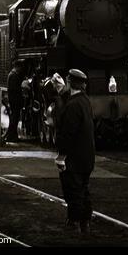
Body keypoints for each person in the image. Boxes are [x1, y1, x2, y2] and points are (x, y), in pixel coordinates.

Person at [55, 68, 95, 235]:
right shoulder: (84, 101)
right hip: (87, 157)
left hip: (73, 157)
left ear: (70, 82)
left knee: (72, 191)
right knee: (83, 189)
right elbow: (71, 100)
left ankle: (75, 224)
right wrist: (61, 91)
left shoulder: (72, 106)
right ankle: (85, 222)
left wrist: (61, 156)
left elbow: (68, 133)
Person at [4, 60, 24, 142]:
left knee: (14, 118)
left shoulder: (12, 75)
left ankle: (13, 135)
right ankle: (11, 136)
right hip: (15, 100)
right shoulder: (13, 75)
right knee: (14, 119)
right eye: (20, 67)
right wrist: (22, 87)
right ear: (17, 66)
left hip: (14, 100)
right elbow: (14, 89)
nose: (21, 69)